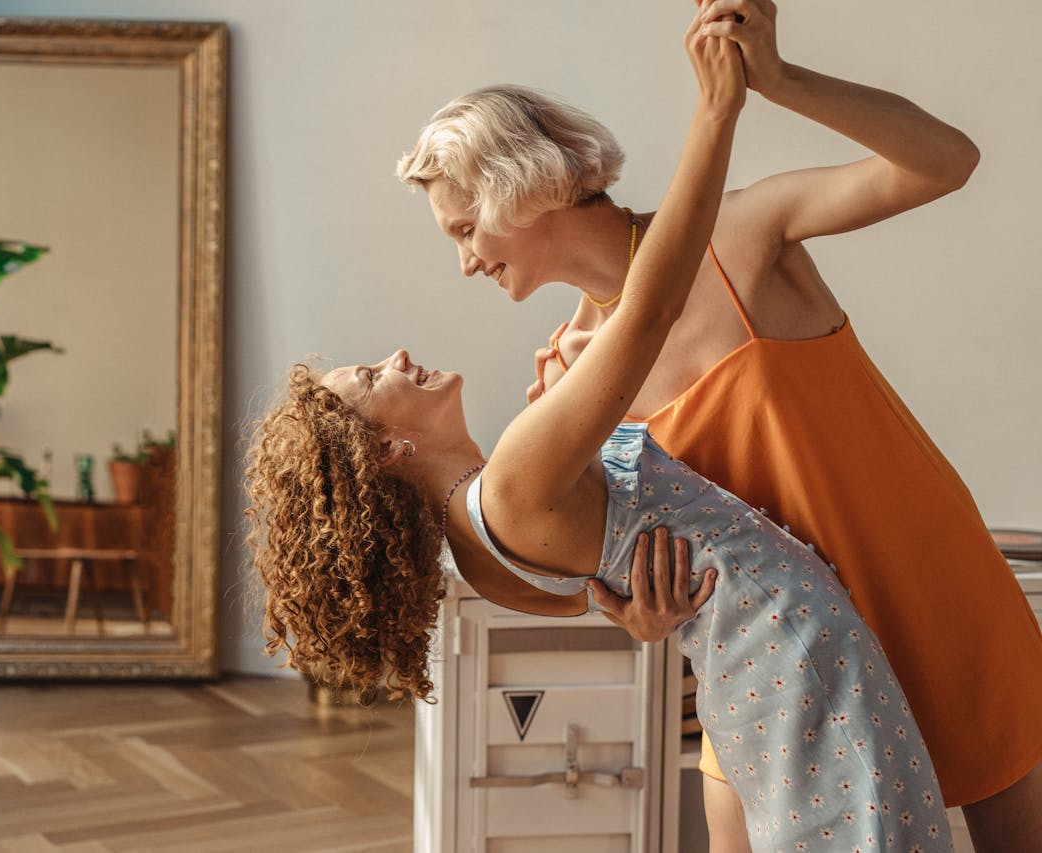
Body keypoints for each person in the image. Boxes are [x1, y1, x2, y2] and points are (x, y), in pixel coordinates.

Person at [249, 20, 952, 849]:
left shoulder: (481, 546)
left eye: (465, 229)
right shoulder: (513, 479)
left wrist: (649, 614)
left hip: (759, 672)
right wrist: (716, 111)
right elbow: (649, 310)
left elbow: (627, 591)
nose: (395, 355)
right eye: (373, 377)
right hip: (795, 661)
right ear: (386, 451)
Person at [395, 2, 1042, 849]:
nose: (465, 261)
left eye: (464, 227)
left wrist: (779, 79)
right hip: (774, 663)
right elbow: (621, 560)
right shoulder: (562, 376)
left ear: (523, 186)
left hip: (927, 590)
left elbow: (948, 161)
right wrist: (641, 615)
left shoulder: (738, 235)